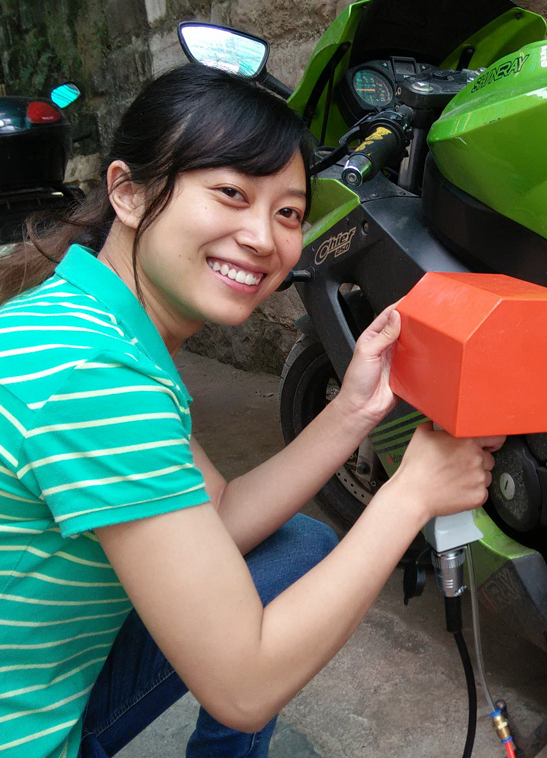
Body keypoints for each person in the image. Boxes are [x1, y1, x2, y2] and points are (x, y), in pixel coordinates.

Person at [0, 63, 502, 758]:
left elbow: (222, 516)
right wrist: (412, 493)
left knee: (297, 545)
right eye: (231, 194)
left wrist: (353, 411)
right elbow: (244, 687)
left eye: (288, 212)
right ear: (128, 193)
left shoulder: (88, 321)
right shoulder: (91, 373)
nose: (264, 239)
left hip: (44, 681)